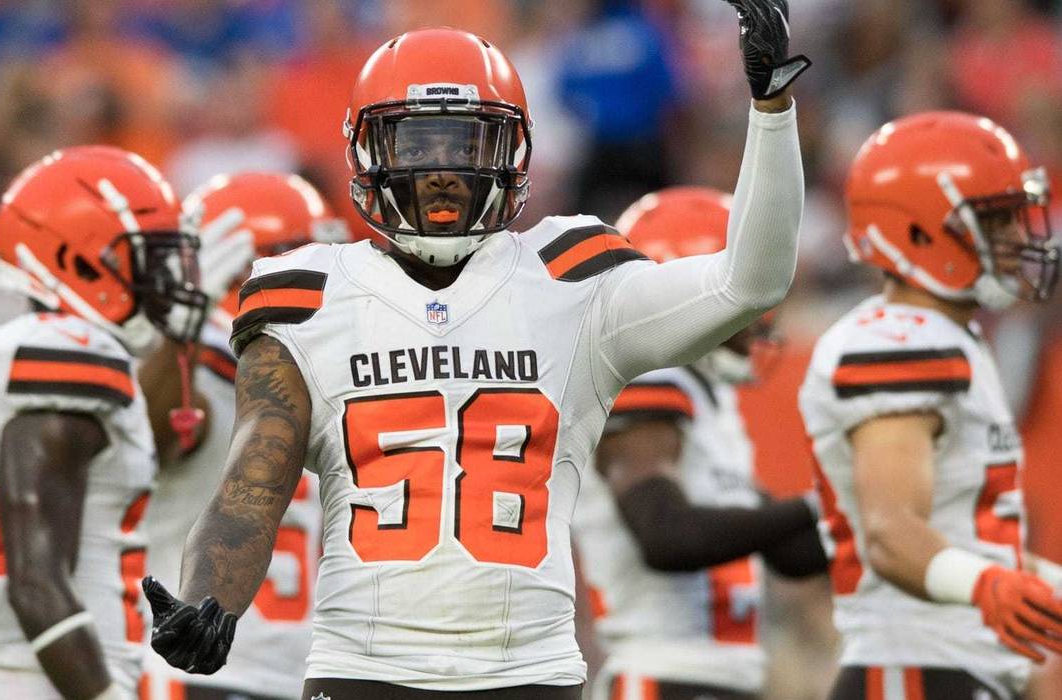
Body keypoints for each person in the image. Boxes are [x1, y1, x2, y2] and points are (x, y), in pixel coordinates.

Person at [145, 2, 811, 695]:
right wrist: (204, 597)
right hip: (363, 669)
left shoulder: (573, 279)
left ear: (512, 152)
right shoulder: (306, 295)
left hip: (529, 670)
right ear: (368, 150)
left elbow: (749, 284)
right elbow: (254, 484)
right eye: (416, 143)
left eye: (465, 143)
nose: (440, 169)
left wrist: (771, 110)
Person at [799, 111, 1062, 700]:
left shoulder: (953, 338)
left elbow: (980, 548)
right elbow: (892, 537)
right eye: (995, 221)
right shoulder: (897, 342)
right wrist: (991, 586)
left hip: (957, 669)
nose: (1019, 238)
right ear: (919, 233)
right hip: (914, 672)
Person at [0, 145, 206, 700]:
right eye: (147, 257)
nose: (165, 275)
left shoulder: (2, 354)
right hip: (45, 683)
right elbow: (36, 585)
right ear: (78, 261)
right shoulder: (70, 352)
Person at [573, 187, 827, 700]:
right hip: (660, 676)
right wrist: (813, 506)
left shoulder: (708, 398)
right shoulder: (647, 380)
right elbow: (668, 536)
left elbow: (793, 553)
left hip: (716, 679)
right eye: (746, 284)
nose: (761, 313)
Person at [141, 171, 348, 700]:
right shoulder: (193, 363)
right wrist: (176, 340)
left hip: (317, 668)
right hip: (206, 669)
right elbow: (147, 438)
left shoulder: (346, 367)